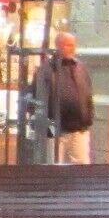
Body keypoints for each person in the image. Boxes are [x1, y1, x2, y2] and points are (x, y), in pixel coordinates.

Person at [26, 31, 94, 164]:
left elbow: (88, 94)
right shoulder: (46, 70)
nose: (72, 48)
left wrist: (88, 117)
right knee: (54, 166)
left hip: (78, 130)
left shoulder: (80, 68)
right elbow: (35, 98)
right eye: (68, 45)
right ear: (58, 46)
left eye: (73, 45)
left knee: (81, 167)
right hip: (55, 131)